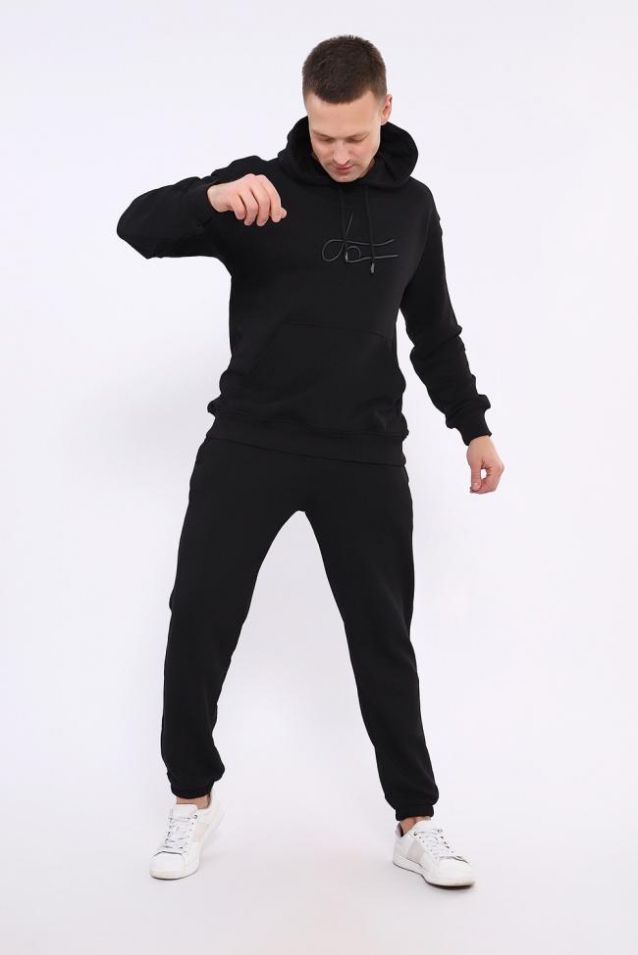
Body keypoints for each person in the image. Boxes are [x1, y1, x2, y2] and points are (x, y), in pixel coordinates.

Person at [116, 34, 505, 887]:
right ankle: (191, 801)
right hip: (250, 440)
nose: (339, 152)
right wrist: (209, 196)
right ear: (306, 113)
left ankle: (415, 820)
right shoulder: (261, 190)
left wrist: (472, 425)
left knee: (382, 637)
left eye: (355, 136)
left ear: (385, 110)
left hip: (363, 452)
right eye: (325, 135)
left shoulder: (413, 208)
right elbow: (136, 226)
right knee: (200, 615)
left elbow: (433, 329)